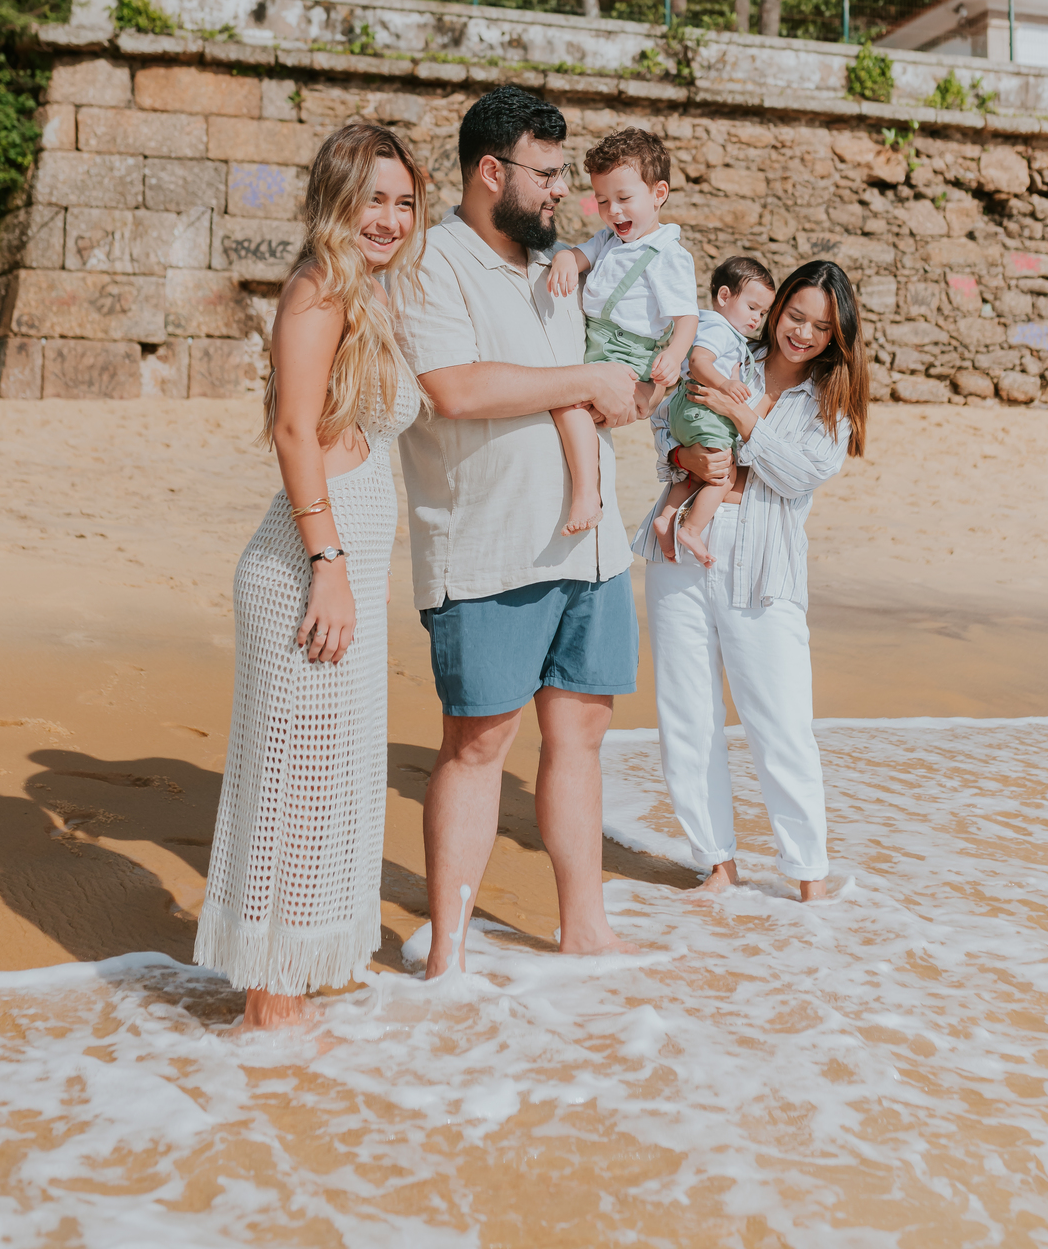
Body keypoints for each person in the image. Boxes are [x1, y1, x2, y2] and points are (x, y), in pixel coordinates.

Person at [395, 86, 661, 978]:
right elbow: (457, 390)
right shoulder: (432, 260)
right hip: (489, 546)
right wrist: (585, 378)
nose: (563, 193)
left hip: (589, 548)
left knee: (581, 733)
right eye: (547, 175)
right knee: (477, 746)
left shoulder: (562, 269)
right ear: (490, 172)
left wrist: (615, 390)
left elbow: (573, 384)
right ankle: (451, 960)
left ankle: (584, 928)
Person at [194, 120, 427, 1029]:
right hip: (304, 573)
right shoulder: (322, 288)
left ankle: (282, 995)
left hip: (337, 574)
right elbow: (296, 432)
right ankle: (270, 1012)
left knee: (326, 785)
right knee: (298, 787)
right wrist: (329, 564)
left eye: (405, 201)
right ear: (336, 198)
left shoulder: (365, 293)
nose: (391, 218)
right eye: (374, 198)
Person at [634, 259, 869, 902]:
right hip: (682, 547)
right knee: (688, 713)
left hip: (763, 567)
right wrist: (684, 455)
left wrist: (741, 421)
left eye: (822, 327)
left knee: (781, 722)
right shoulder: (727, 349)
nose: (803, 333)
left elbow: (798, 474)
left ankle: (808, 876)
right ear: (778, 306)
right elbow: (665, 425)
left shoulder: (827, 400)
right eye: (795, 315)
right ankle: (716, 862)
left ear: (837, 335)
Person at [547, 128, 699, 536]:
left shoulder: (667, 255)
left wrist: (673, 355)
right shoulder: (610, 240)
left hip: (629, 355)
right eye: (601, 201)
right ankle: (582, 486)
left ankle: (587, 492)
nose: (613, 211)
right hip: (598, 344)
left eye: (624, 199)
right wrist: (566, 259)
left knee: (570, 407)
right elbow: (582, 254)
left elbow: (686, 318)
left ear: (658, 193)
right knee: (574, 411)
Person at [651, 254, 776, 564]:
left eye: (762, 313)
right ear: (724, 296)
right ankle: (691, 529)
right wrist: (725, 385)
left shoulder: (707, 324)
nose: (756, 320)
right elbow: (698, 362)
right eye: (751, 308)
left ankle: (667, 517)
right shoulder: (719, 328)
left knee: (695, 472)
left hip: (685, 411)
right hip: (703, 410)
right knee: (723, 475)